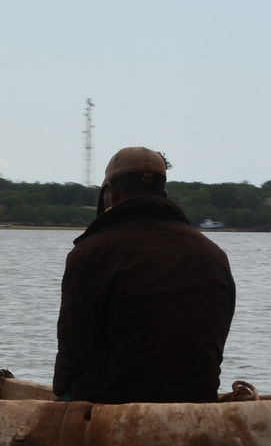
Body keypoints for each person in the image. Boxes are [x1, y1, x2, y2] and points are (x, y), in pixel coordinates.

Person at [53, 147, 236, 404]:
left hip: (110, 402)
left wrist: (62, 395)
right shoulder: (212, 253)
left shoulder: (90, 253)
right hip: (198, 400)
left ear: (111, 193)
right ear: (164, 195)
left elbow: (74, 351)